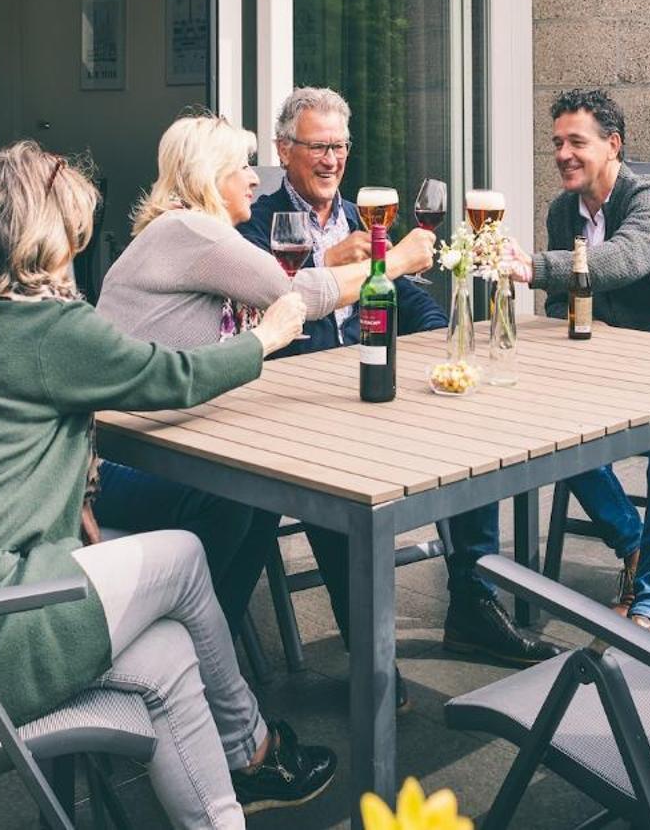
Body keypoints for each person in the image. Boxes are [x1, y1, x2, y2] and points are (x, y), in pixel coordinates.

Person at [0, 141, 336, 826]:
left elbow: (10, 426)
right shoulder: (50, 328)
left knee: (167, 654)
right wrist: (266, 337)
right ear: (51, 234)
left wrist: (80, 493)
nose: (82, 242)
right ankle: (252, 746)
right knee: (185, 557)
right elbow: (175, 377)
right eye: (76, 227)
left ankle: (231, 795)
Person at [240, 87, 560, 670]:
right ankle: (372, 663)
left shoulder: (364, 214)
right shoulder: (256, 226)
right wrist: (328, 263)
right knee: (338, 483)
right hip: (302, 401)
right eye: (318, 146)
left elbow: (406, 294)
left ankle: (472, 602)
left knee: (473, 438)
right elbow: (254, 307)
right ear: (284, 150)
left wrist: (439, 342)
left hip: (372, 384)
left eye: (340, 146)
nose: (332, 159)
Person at [95, 114, 432, 631]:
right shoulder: (191, 231)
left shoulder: (191, 231)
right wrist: (396, 258)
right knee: (243, 495)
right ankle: (192, 636)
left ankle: (215, 642)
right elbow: (294, 294)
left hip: (154, 438)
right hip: (116, 460)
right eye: (243, 166)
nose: (256, 178)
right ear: (210, 176)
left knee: (260, 491)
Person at [505, 88, 650, 634]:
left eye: (576, 142)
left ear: (613, 145)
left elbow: (622, 260)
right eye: (556, 143)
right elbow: (564, 307)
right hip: (613, 382)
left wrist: (535, 268)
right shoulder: (565, 211)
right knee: (552, 435)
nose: (563, 154)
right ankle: (632, 545)